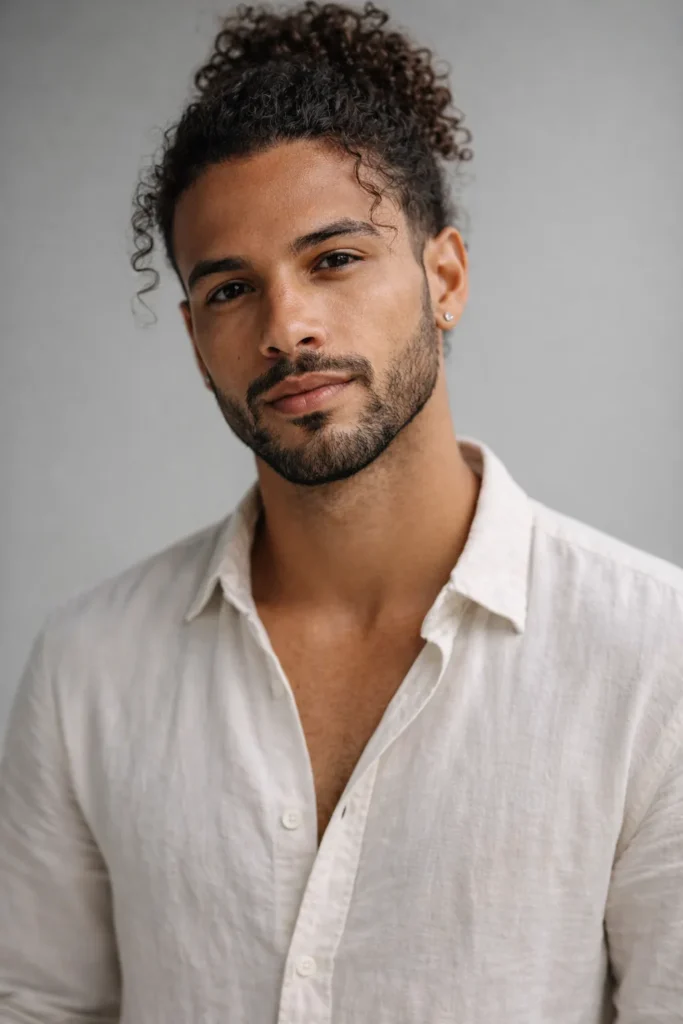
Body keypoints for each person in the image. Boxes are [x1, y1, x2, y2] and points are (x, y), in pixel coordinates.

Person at [1, 1, 682, 1020]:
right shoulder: (88, 669)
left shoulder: (650, 656)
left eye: (334, 259)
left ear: (441, 277)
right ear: (194, 339)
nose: (288, 328)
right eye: (231, 290)